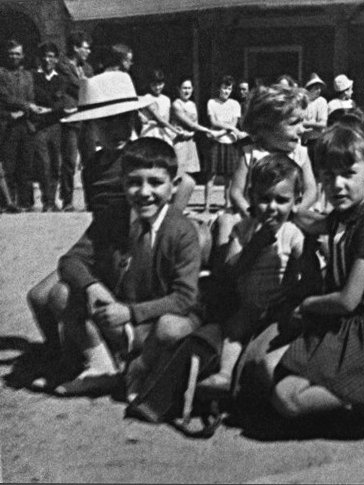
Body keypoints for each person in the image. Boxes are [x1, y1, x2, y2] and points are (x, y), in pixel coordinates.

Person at [26, 72, 194, 387]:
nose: (116, 130)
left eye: (123, 120)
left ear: (134, 119)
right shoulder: (94, 166)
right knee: (37, 296)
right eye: (105, 123)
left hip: (132, 248)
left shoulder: (143, 155)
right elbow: (99, 216)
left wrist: (159, 229)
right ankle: (64, 355)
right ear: (91, 128)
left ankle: (98, 359)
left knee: (60, 295)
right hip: (104, 242)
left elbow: (184, 183)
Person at [272, 121, 364, 445]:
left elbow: (348, 299)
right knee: (283, 391)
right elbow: (314, 223)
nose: (337, 185)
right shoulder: (345, 214)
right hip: (350, 326)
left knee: (287, 400)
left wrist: (307, 306)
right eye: (328, 176)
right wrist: (281, 208)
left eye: (348, 174)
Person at [52, 137, 202, 398]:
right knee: (60, 294)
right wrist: (92, 286)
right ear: (122, 183)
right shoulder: (112, 217)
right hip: (114, 321)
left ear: (174, 186)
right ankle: (101, 367)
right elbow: (70, 260)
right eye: (134, 182)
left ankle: (141, 368)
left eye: (156, 182)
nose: (144, 192)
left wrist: (131, 313)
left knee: (172, 329)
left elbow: (185, 298)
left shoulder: (183, 232)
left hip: (152, 325)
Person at [197, 153, 305, 393]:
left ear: (295, 201)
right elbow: (231, 270)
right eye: (264, 199)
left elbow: (300, 271)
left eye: (281, 200)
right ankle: (225, 375)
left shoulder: (293, 233)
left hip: (279, 305)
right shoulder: (243, 229)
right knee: (234, 329)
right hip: (248, 304)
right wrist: (255, 244)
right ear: (252, 197)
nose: (272, 207)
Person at [217, 84, 317, 246]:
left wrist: (292, 211)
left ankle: (319, 264)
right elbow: (236, 192)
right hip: (255, 213)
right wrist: (252, 214)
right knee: (226, 222)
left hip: (291, 212)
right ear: (265, 127)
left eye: (302, 122)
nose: (301, 130)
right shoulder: (251, 153)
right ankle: (225, 265)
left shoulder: (300, 153)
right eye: (293, 123)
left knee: (320, 229)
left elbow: (311, 190)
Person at [0, 39, 44, 211]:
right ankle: (7, 203)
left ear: (23, 56)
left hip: (26, 125)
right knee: (9, 166)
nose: (14, 57)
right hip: (8, 125)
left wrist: (30, 109)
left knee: (26, 165)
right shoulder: (1, 74)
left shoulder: (27, 75)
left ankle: (26, 202)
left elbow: (31, 97)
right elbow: (4, 97)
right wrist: (25, 106)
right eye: (11, 53)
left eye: (17, 53)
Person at [57, 30, 93, 212]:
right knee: (70, 161)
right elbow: (76, 85)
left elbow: (89, 88)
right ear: (75, 48)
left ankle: (91, 199)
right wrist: (87, 84)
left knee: (90, 160)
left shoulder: (87, 68)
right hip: (71, 119)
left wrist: (88, 85)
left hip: (86, 118)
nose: (89, 52)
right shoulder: (63, 65)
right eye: (85, 48)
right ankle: (67, 200)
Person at [32, 41, 67, 212]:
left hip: (55, 127)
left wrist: (50, 108)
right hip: (39, 128)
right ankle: (47, 201)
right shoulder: (34, 78)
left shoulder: (60, 79)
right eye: (45, 57)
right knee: (43, 164)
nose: (47, 60)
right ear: (40, 59)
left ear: (56, 59)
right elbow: (37, 97)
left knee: (55, 164)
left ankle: (53, 199)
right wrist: (52, 103)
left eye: (51, 57)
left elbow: (61, 103)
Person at [171, 76, 221, 184]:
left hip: (190, 141)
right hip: (179, 141)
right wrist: (209, 131)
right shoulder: (176, 104)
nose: (187, 91)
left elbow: (195, 124)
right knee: (178, 172)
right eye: (184, 88)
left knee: (188, 174)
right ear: (178, 89)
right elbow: (191, 124)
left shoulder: (192, 104)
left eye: (189, 88)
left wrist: (192, 133)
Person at [206, 75, 243, 211]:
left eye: (229, 89)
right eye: (224, 88)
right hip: (215, 143)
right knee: (211, 175)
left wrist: (220, 131)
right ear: (219, 88)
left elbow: (233, 122)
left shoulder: (235, 104)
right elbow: (213, 122)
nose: (226, 91)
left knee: (229, 176)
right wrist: (230, 128)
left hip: (230, 142)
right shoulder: (212, 102)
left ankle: (227, 204)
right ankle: (207, 205)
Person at [139, 69, 185, 145]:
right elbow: (160, 120)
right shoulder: (147, 98)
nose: (157, 87)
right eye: (154, 85)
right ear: (150, 84)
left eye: (160, 84)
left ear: (164, 83)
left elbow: (166, 121)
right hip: (150, 133)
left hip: (163, 133)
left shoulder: (167, 99)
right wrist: (175, 131)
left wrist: (174, 128)